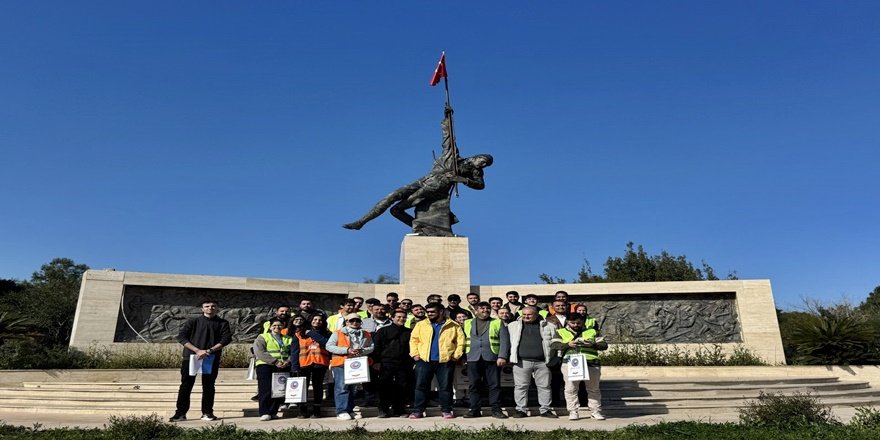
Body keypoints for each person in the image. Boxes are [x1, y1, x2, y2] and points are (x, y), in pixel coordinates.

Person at [343, 106, 494, 236]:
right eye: (483, 160)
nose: (483, 164)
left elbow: (480, 185)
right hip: (425, 179)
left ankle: (423, 229)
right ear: (477, 156)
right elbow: (449, 136)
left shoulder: (475, 171)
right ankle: (361, 222)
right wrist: (448, 117)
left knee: (399, 207)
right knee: (392, 198)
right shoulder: (452, 155)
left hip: (437, 187)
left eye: (485, 164)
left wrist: (463, 180)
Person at [169, 300, 232, 422]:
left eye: (213, 306)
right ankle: (180, 413)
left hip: (210, 358)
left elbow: (226, 339)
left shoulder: (223, 323)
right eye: (207, 306)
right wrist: (197, 350)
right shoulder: (193, 321)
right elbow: (181, 337)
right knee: (186, 386)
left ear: (217, 308)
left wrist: (209, 351)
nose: (210, 308)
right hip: (191, 357)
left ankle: (207, 412)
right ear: (202, 309)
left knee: (208, 386)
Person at [408, 302, 465, 419]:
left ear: (441, 312)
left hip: (445, 361)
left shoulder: (453, 325)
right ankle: (418, 410)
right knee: (420, 386)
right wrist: (414, 355)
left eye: (432, 312)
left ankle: (446, 410)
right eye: (428, 312)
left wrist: (455, 356)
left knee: (445, 387)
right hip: (424, 360)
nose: (429, 314)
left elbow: (460, 342)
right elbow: (414, 340)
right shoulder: (421, 325)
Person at [498, 306, 557, 418]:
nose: (526, 317)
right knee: (520, 387)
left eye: (529, 315)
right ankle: (521, 410)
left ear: (536, 314)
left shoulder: (549, 326)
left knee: (544, 386)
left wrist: (555, 359)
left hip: (543, 362)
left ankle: (545, 410)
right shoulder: (512, 326)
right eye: (524, 314)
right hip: (521, 362)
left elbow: (556, 343)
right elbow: (506, 342)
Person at [550, 313, 608, 421]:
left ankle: (595, 411)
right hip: (571, 363)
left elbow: (604, 345)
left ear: (583, 322)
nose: (576, 325)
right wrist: (568, 344)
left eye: (579, 323)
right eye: (573, 323)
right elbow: (554, 345)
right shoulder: (560, 332)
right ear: (567, 322)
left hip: (591, 362)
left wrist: (592, 344)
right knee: (571, 388)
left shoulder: (592, 331)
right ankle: (573, 411)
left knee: (593, 389)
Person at [461, 302, 509, 419]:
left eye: (488, 308)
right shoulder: (467, 323)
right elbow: (462, 340)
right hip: (472, 357)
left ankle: (496, 410)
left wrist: (502, 356)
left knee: (494, 385)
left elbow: (504, 340)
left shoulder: (497, 322)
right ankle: (474, 409)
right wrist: (462, 356)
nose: (485, 310)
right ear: (476, 310)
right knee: (474, 385)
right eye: (482, 308)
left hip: (492, 357)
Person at [327, 313, 375, 420]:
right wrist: (347, 350)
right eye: (352, 320)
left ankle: (350, 409)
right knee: (342, 387)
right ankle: (341, 411)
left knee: (353, 388)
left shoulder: (366, 334)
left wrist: (362, 351)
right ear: (347, 322)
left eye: (357, 321)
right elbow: (329, 346)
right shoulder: (338, 333)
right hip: (341, 363)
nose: (355, 322)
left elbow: (371, 347)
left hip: (357, 364)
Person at [371, 309, 413, 417]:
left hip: (403, 363)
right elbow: (377, 346)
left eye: (403, 317)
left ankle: (399, 409)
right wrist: (377, 361)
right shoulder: (383, 331)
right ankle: (383, 410)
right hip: (386, 362)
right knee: (385, 386)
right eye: (398, 317)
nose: (401, 319)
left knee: (402, 386)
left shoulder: (409, 332)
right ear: (392, 317)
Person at [253, 319, 298, 421]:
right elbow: (259, 352)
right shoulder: (262, 337)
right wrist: (274, 361)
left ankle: (273, 412)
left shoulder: (288, 338)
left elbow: (293, 352)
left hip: (283, 366)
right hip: (266, 365)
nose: (277, 327)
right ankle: (264, 412)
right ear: (270, 327)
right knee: (266, 390)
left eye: (279, 325)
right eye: (274, 325)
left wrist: (288, 361)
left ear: (283, 327)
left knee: (279, 390)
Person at [295, 314, 331, 418]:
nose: (317, 321)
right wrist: (295, 366)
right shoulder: (299, 334)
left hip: (320, 363)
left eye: (320, 320)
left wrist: (311, 333)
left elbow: (327, 343)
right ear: (310, 320)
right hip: (304, 363)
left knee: (318, 386)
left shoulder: (327, 333)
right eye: (315, 319)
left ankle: (316, 410)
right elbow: (294, 350)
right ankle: (302, 410)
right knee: (303, 387)